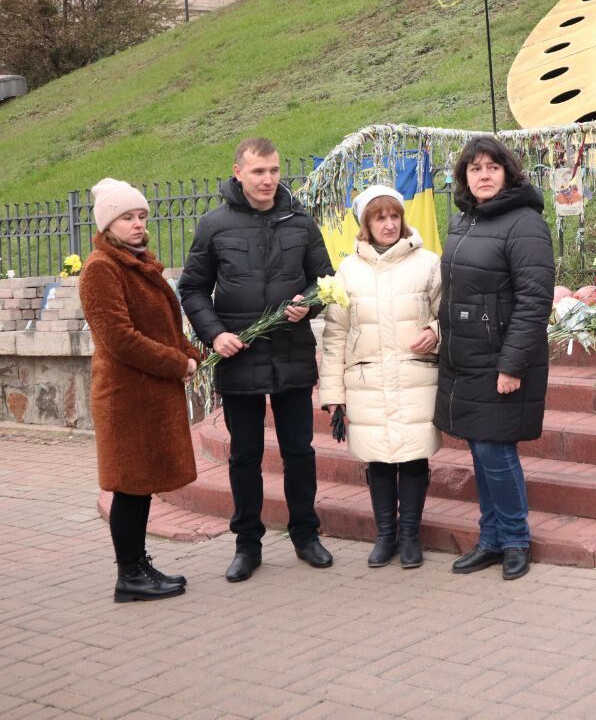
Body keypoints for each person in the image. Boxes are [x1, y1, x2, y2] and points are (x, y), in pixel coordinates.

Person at [179, 137, 336, 582]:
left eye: (273, 170)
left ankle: (306, 535)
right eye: (258, 172)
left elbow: (324, 282)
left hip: (291, 353)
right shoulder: (214, 225)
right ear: (238, 173)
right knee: (244, 456)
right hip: (239, 355)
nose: (267, 180)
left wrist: (309, 304)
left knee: (299, 452)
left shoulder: (300, 223)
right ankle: (247, 544)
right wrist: (215, 334)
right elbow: (192, 288)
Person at [435, 137, 555, 580]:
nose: (483, 175)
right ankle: (490, 539)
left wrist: (512, 364)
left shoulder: (524, 223)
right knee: (479, 449)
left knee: (495, 449)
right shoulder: (462, 220)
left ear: (508, 173)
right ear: (464, 177)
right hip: (463, 355)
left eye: (492, 167)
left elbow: (533, 301)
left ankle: (515, 539)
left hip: (499, 357)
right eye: (474, 169)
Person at [78, 178, 201, 602]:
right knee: (129, 486)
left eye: (141, 216)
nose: (137, 224)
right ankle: (129, 574)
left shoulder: (139, 263)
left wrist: (190, 355)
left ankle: (138, 565)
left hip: (149, 394)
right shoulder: (101, 268)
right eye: (127, 217)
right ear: (108, 225)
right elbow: (120, 338)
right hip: (126, 397)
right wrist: (176, 363)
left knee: (141, 483)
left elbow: (164, 325)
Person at [320, 185, 442, 569]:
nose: (389, 224)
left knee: (413, 457)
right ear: (365, 225)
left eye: (394, 217)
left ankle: (409, 536)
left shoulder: (428, 263)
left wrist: (436, 331)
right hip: (368, 379)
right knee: (378, 460)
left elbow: (450, 314)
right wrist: (332, 392)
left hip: (414, 375)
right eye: (379, 218)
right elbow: (335, 335)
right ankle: (385, 534)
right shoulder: (348, 271)